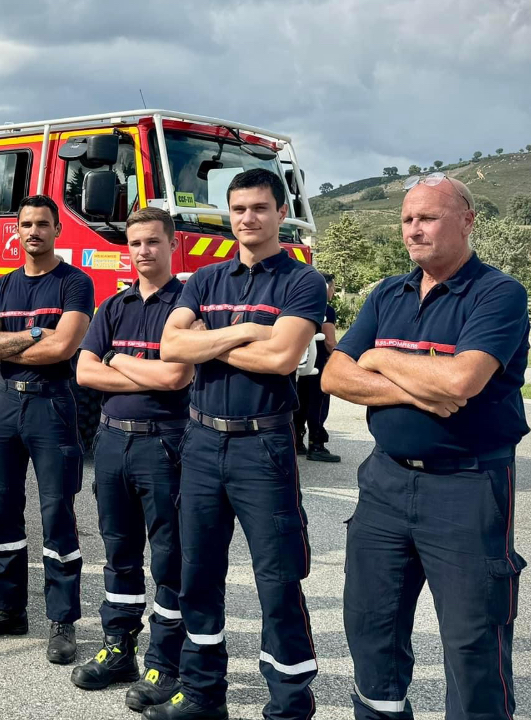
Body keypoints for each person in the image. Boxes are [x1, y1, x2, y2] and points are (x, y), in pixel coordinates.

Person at [321, 173, 530, 720]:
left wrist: (379, 358)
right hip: (384, 482)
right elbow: (334, 376)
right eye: (408, 219)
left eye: (428, 218)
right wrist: (420, 386)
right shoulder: (388, 293)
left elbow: (461, 381)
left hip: (467, 486)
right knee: (371, 625)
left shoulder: (497, 293)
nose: (414, 229)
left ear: (467, 221)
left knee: (472, 639)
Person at [153, 169, 327, 720]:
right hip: (201, 442)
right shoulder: (204, 279)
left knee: (278, 578)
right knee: (198, 573)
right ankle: (203, 693)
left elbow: (281, 359)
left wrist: (207, 342)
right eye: (238, 209)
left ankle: (289, 704)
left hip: (263, 446)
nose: (247, 218)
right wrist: (249, 330)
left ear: (280, 213)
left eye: (259, 208)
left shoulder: (303, 282)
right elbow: (170, 346)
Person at [70, 207, 193, 712]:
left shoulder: (187, 305)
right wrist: (143, 370)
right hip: (112, 443)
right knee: (119, 551)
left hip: (163, 445)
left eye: (153, 241)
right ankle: (118, 647)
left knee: (169, 557)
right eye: (136, 242)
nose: (144, 250)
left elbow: (176, 378)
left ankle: (164, 661)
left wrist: (117, 360)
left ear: (172, 245)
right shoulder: (114, 305)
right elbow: (84, 372)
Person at [0, 194, 93, 665]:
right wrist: (36, 334)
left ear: (57, 229)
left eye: (42, 223)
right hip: (3, 404)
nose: (33, 231)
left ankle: (62, 620)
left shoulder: (75, 283)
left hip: (51, 404)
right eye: (25, 224)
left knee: (57, 511)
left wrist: (12, 344)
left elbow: (63, 349)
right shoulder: (2, 285)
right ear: (16, 231)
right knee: (1, 508)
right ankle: (8, 608)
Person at [294, 273, 340, 462]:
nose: (334, 291)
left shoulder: (300, 305)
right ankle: (317, 445)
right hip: (318, 363)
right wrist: (340, 358)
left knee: (300, 402)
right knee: (318, 404)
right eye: (333, 287)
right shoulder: (326, 309)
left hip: (299, 361)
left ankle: (297, 441)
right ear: (325, 287)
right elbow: (329, 341)